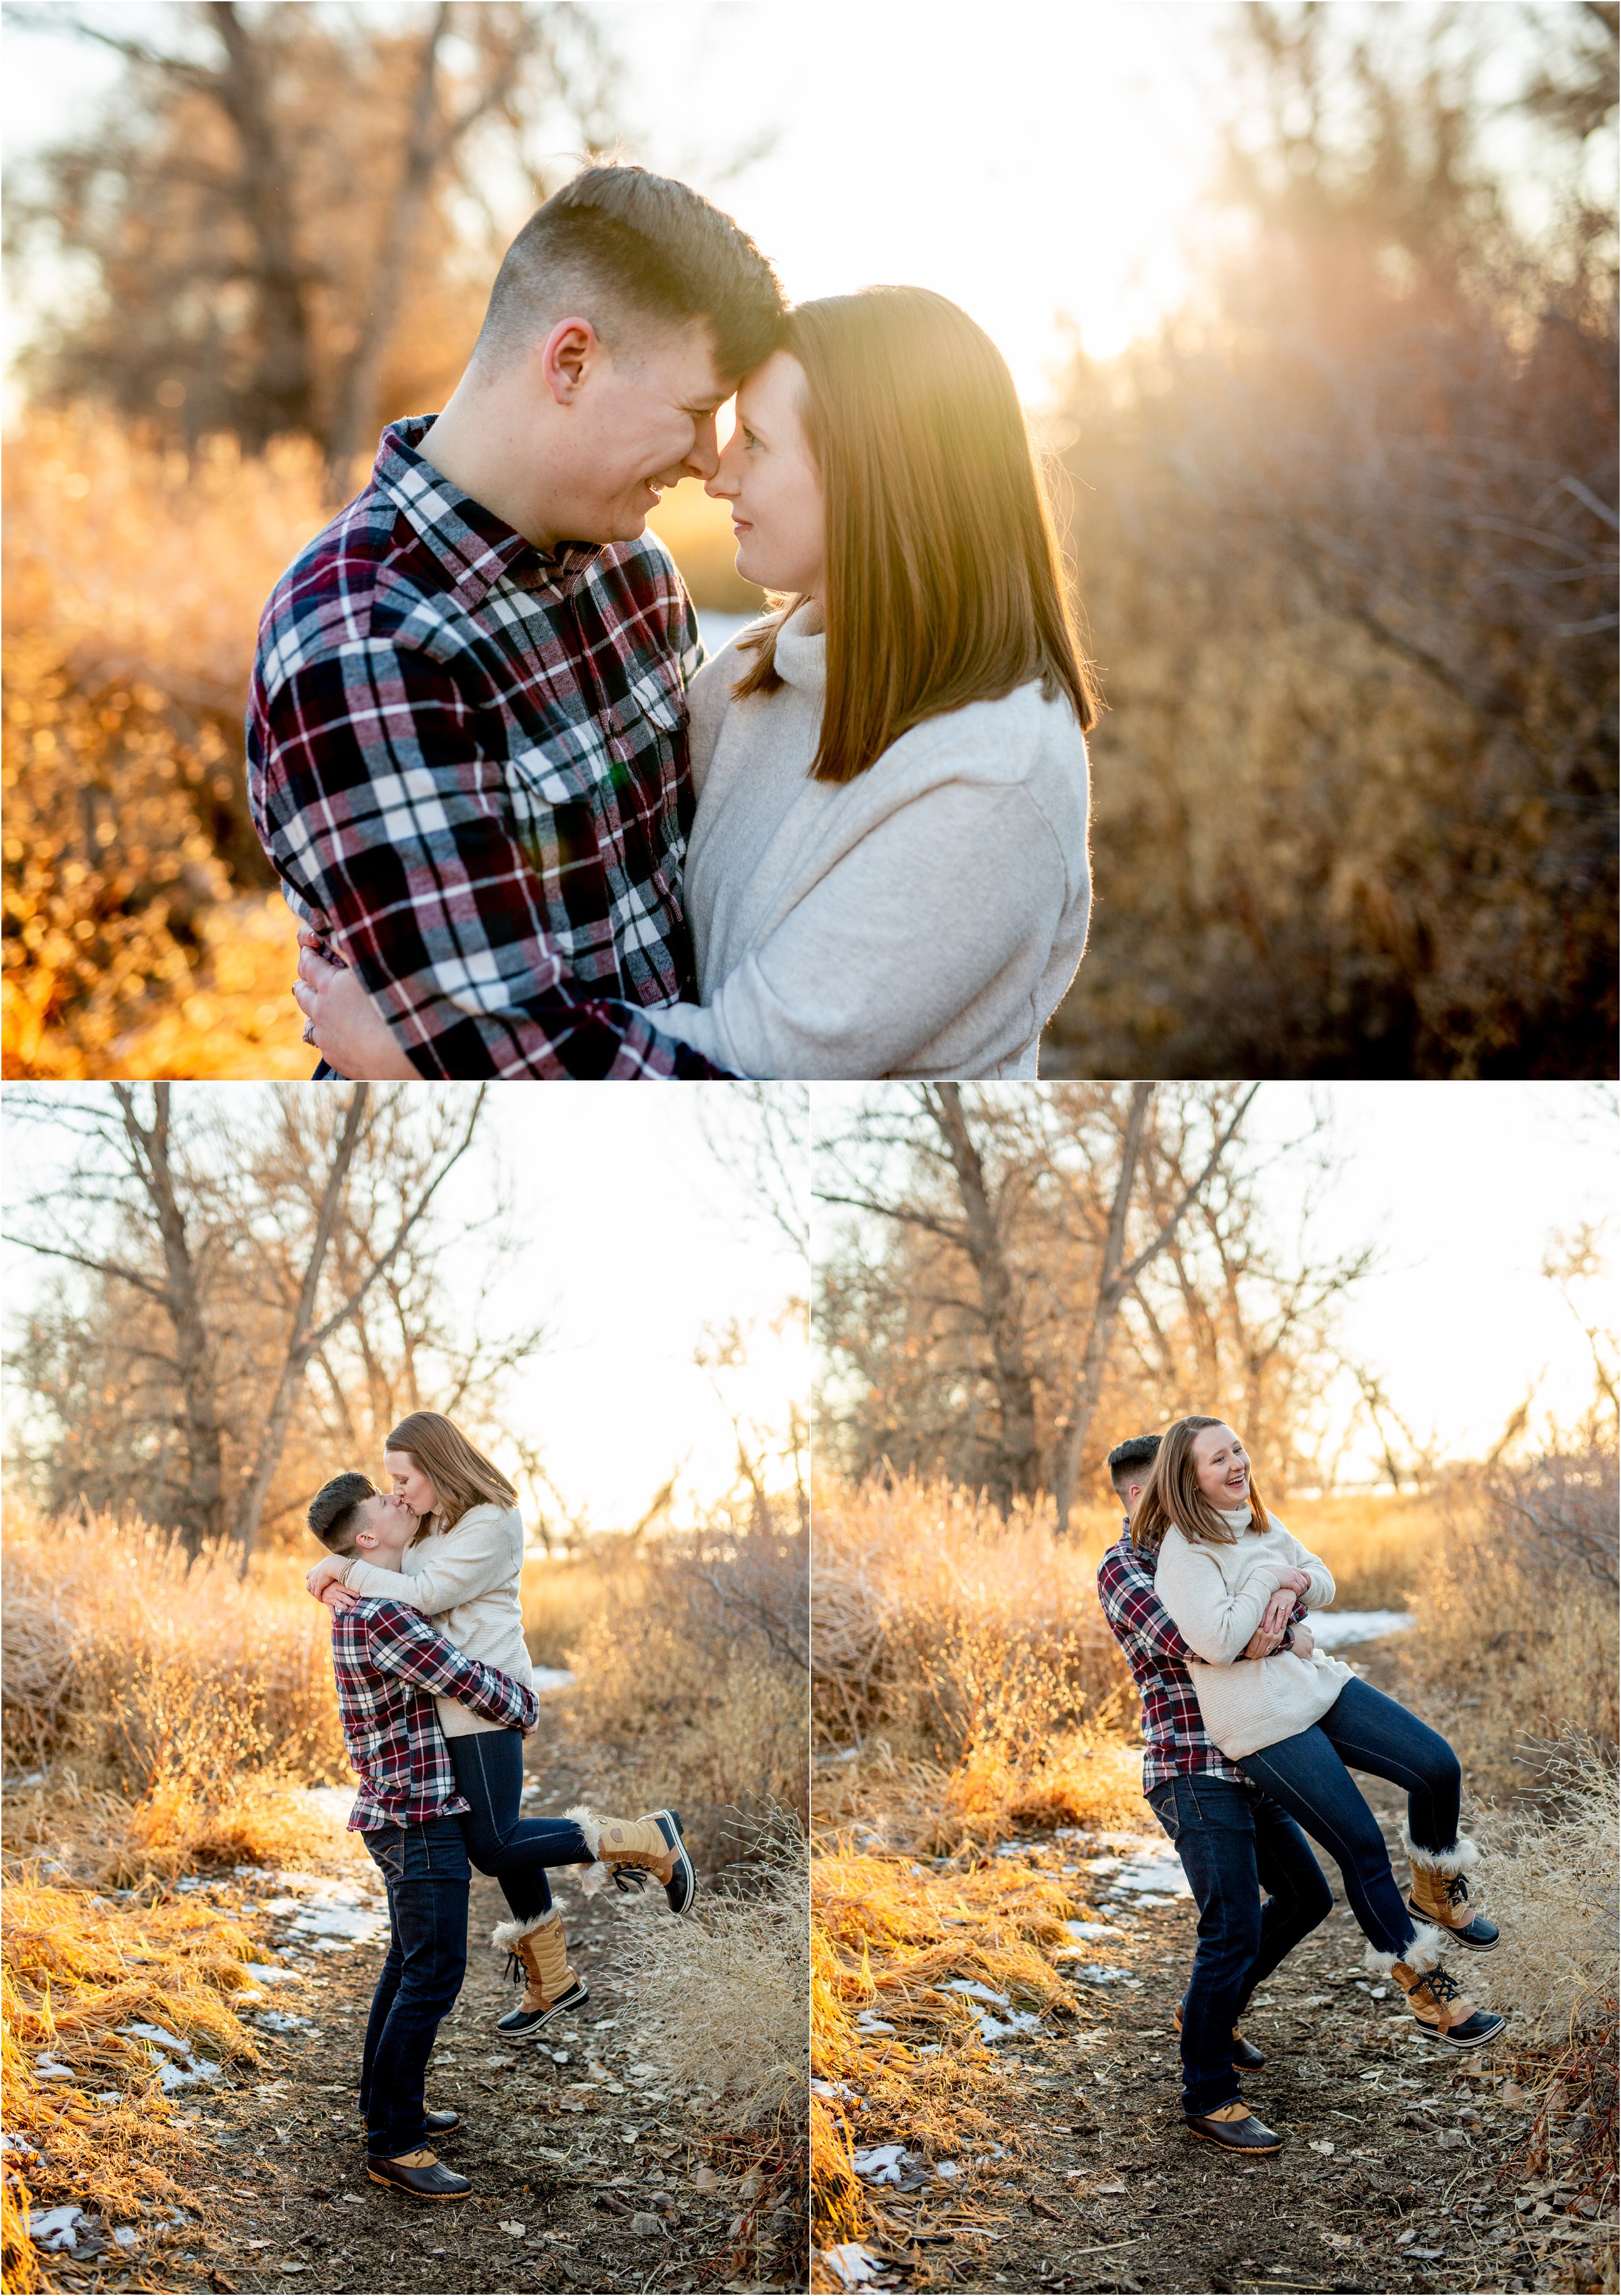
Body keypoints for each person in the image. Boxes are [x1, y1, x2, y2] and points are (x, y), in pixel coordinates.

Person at [251, 164, 784, 1082]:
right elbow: (513, 1052)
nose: (709, 459)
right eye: (697, 413)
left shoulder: (637, 572)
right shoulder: (364, 642)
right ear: (571, 360)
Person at [651, 286, 1096, 1079]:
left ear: (870, 473)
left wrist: (432, 1050)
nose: (716, 475)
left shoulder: (993, 774)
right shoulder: (757, 675)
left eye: (752, 440)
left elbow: (747, 1064)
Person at [308, 1416, 694, 2040]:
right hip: (450, 1704)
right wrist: (333, 1569)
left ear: (437, 1465)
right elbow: (378, 1547)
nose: (399, 1491)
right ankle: (553, 1978)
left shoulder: (491, 1520)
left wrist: (339, 1572)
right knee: (502, 1839)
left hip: (485, 1701)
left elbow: (425, 1592)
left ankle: (646, 1839)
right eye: (392, 1482)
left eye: (404, 1477)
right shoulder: (438, 1517)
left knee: (495, 1843)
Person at [1137, 1416, 1505, 2058]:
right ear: (1186, 1478)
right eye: (1216, 1459)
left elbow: (1322, 1577)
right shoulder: (1182, 1553)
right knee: (1360, 1846)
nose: (1236, 1464)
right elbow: (1220, 1641)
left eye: (1238, 1450)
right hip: (1258, 1718)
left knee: (1434, 1765)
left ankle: (1434, 1888)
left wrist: (1297, 1581)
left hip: (1310, 1682)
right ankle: (1430, 1995)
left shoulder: (1256, 1520)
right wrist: (1268, 1581)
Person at [1097, 1434, 1334, 2155]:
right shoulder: (1125, 1567)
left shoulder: (1208, 1550)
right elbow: (1209, 1640)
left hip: (1254, 1756)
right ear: (1136, 1496)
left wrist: (1274, 1606)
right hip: (1191, 1767)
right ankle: (1208, 2092)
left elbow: (1289, 1615)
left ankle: (1211, 2008)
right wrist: (1267, 1614)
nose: (1167, 1502)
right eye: (1152, 1492)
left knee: (1307, 1897)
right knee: (1229, 1922)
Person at [309, 1475, 540, 2198]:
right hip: (416, 1816)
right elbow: (465, 1678)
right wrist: (525, 1703)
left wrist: (326, 1573)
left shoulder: (372, 1598)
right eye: (384, 1500)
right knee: (434, 1972)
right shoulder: (385, 1615)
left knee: (408, 1963)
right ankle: (395, 2145)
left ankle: (386, 2108)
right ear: (366, 1538)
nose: (399, 1500)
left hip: (397, 1810)